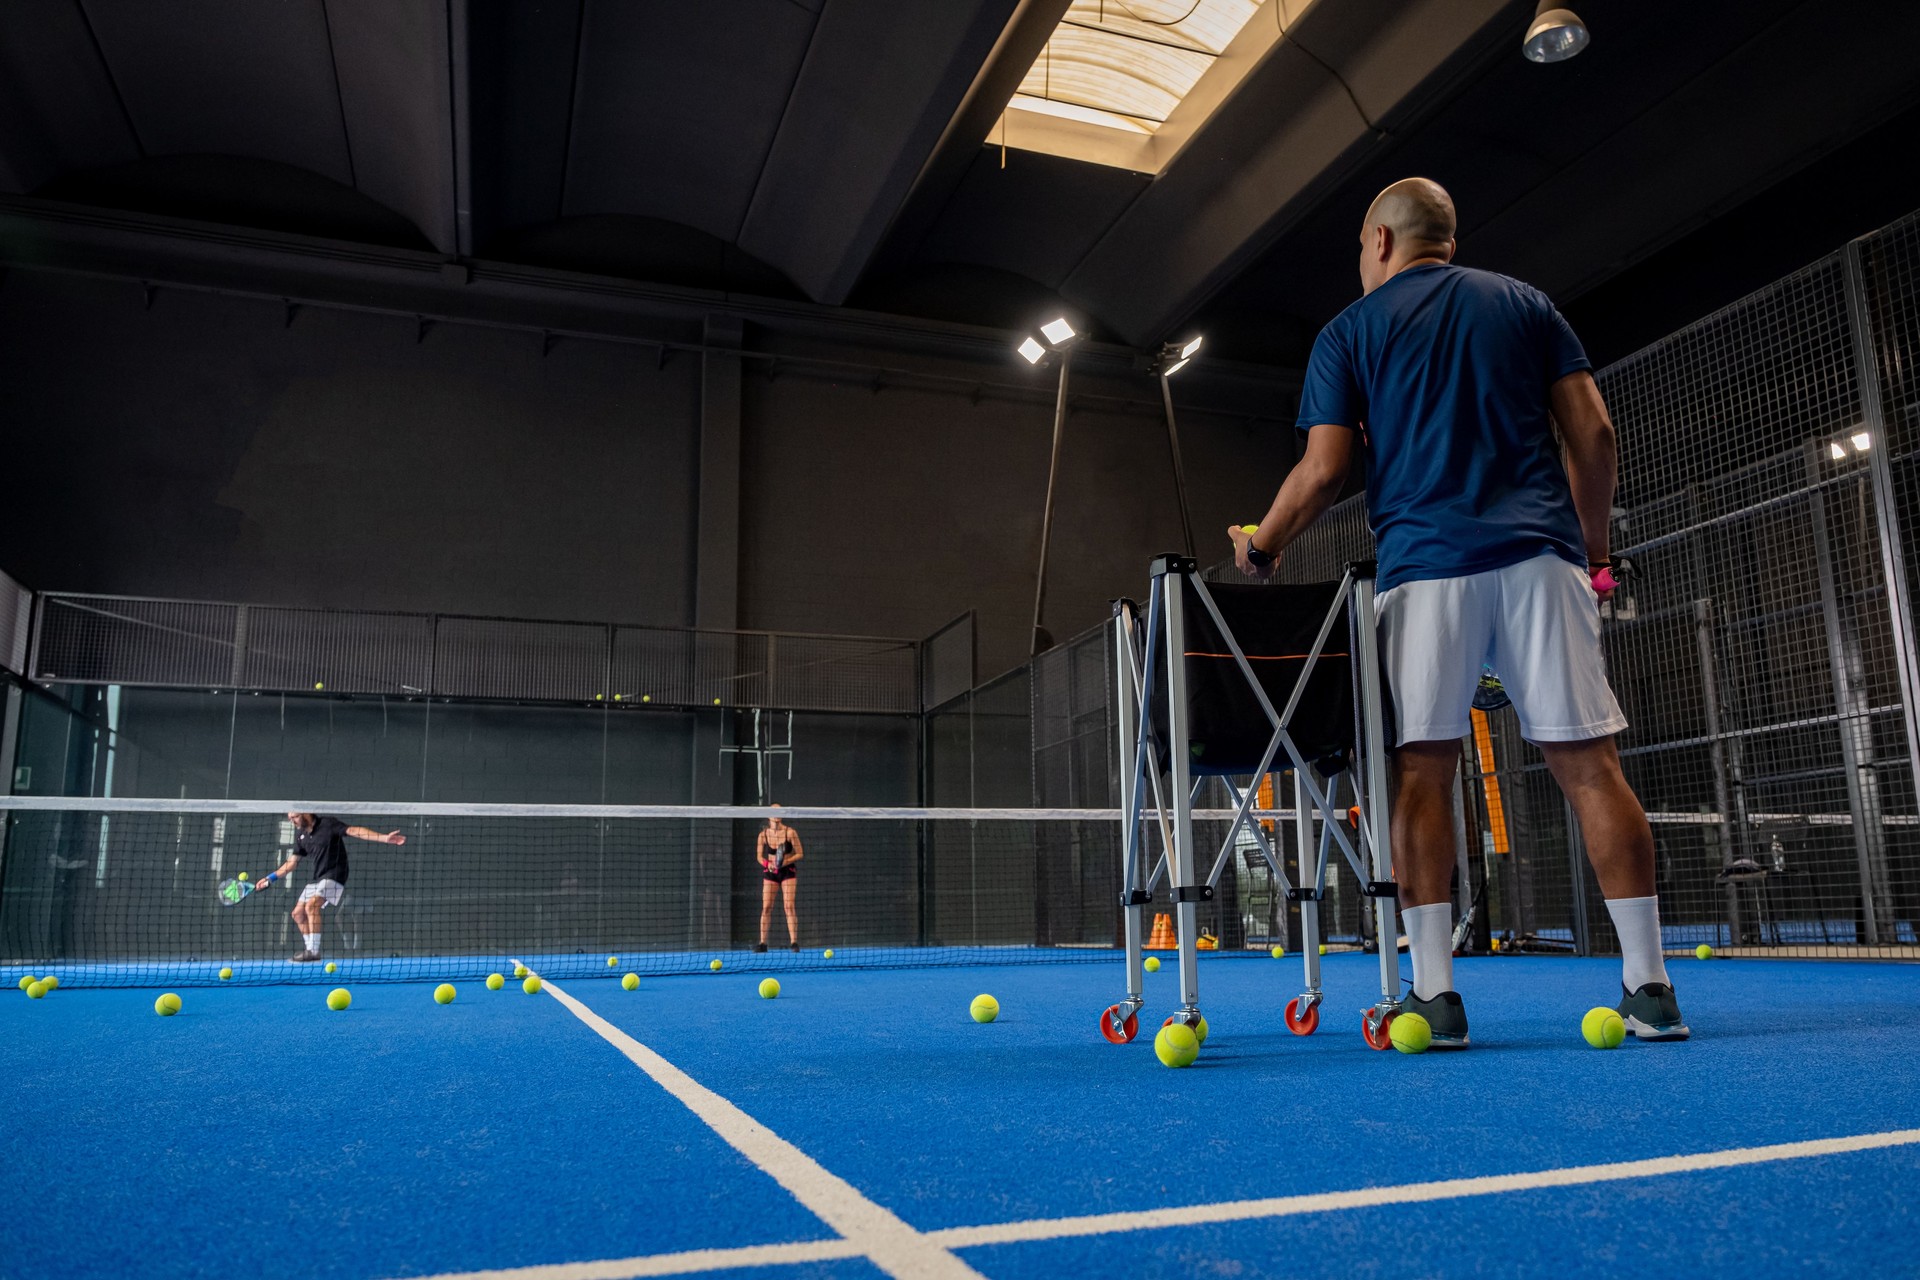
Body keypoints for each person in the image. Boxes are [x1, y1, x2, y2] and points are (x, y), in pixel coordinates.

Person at [1229, 177, 1687, 1049]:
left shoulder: (1348, 333)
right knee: (1591, 768)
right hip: (1543, 561)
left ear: (1380, 243)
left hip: (1427, 572)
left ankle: (1436, 999)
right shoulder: (1526, 305)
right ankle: (1652, 987)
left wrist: (1264, 544)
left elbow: (1324, 471)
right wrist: (1591, 551)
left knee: (1422, 774)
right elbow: (1594, 435)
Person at [261, 812, 405, 963]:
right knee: (297, 914)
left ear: (305, 813)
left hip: (335, 875)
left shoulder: (328, 824)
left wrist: (384, 838)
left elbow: (354, 831)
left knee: (312, 906)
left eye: (295, 817)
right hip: (318, 878)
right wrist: (269, 878)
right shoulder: (300, 835)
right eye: (290, 818)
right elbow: (291, 863)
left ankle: (313, 951)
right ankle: (310, 950)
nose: (292, 821)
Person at [754, 805, 804, 952]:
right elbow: (758, 856)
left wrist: (785, 862)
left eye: (779, 812)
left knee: (789, 906)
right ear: (769, 816)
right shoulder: (763, 835)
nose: (776, 815)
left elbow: (800, 853)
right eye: (773, 812)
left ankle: (794, 943)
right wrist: (767, 864)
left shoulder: (790, 832)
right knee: (766, 907)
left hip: (787, 871)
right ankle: (762, 943)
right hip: (770, 873)